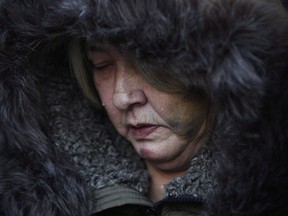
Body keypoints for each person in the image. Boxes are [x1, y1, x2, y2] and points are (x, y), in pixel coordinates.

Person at [1, 0, 288, 215]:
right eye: (101, 66)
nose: (122, 97)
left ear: (213, 69)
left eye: (149, 63)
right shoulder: (27, 198)